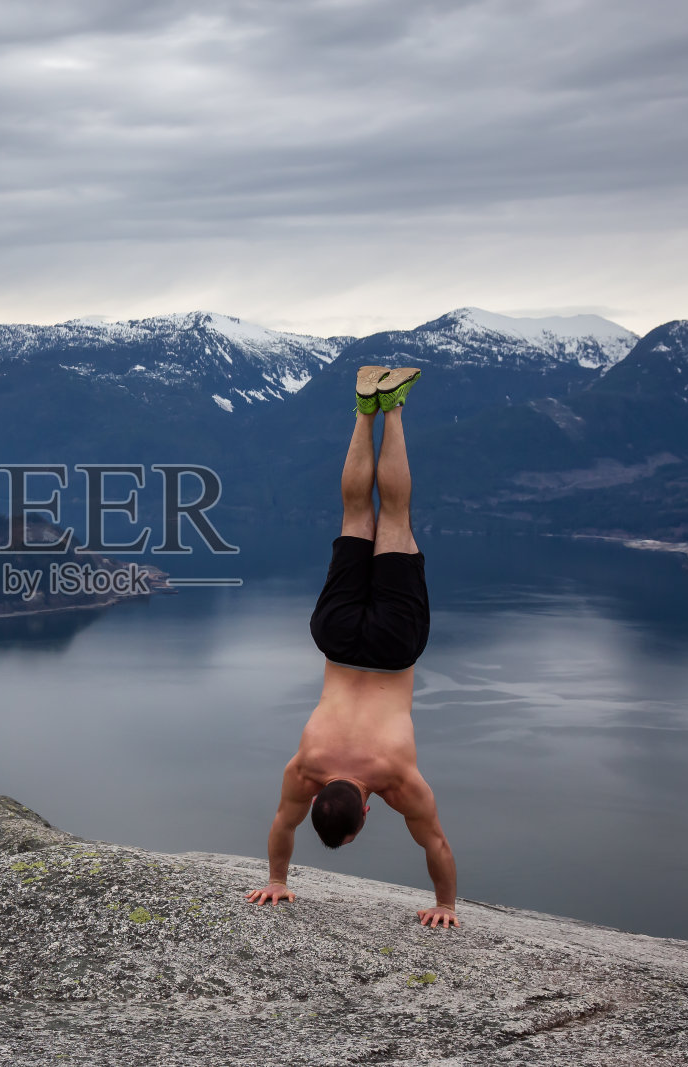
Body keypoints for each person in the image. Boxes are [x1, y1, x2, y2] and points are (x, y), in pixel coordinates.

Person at [245, 365, 460, 929]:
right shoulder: (306, 769)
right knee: (356, 515)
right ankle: (367, 405)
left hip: (392, 647)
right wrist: (274, 877)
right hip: (336, 640)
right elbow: (282, 825)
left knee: (394, 516)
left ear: (368, 811)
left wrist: (445, 906)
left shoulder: (396, 779)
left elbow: (435, 842)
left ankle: (394, 407)